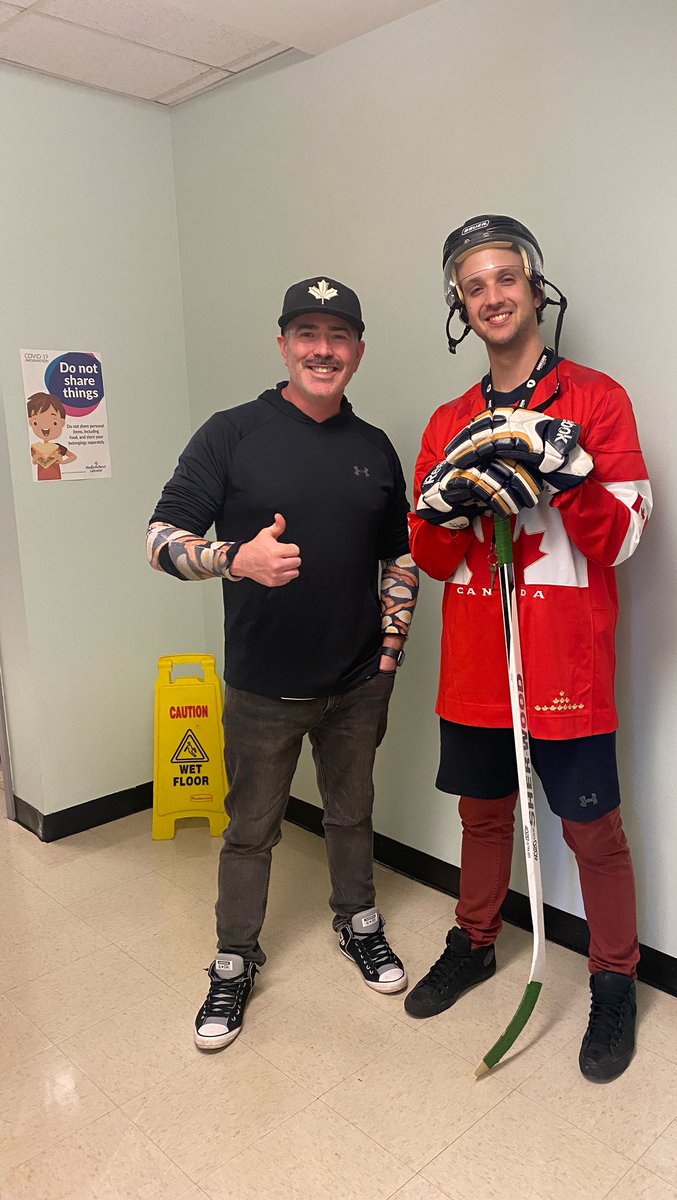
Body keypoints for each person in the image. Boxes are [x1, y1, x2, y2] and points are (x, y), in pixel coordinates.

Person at [406, 216, 651, 1082]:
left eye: (505, 277)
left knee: (594, 832)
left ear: (535, 287)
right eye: (474, 286)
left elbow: (621, 538)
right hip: (478, 663)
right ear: (461, 307)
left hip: (566, 666)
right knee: (482, 817)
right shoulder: (447, 421)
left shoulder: (597, 399)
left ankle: (614, 978)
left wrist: (568, 470)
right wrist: (439, 509)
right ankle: (475, 943)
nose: (493, 296)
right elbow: (434, 560)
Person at [147, 277, 418, 1050]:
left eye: (338, 336)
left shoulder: (373, 448)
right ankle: (234, 962)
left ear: (358, 352)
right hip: (264, 689)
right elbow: (160, 538)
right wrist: (237, 558)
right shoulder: (231, 434)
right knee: (250, 832)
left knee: (351, 814)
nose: (322, 349)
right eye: (307, 333)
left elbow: (400, 557)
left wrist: (390, 653)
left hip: (359, 681)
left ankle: (358, 924)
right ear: (282, 345)